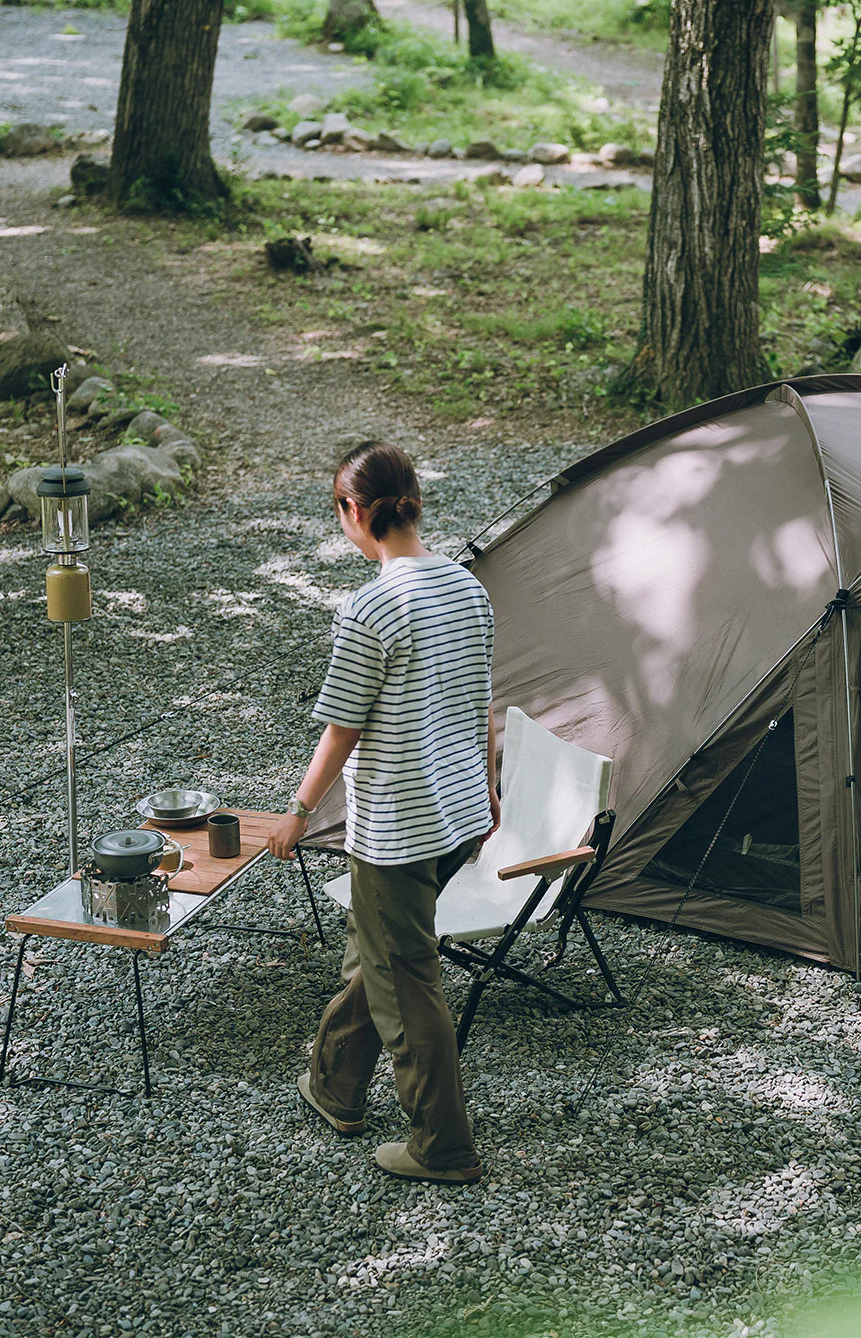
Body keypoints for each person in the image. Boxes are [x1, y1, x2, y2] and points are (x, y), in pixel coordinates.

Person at [266, 441, 497, 1185]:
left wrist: (298, 812)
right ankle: (334, 1086)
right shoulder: (467, 588)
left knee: (403, 976)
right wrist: (489, 791)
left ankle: (443, 1144)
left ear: (354, 513)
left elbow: (341, 729)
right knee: (380, 951)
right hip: (457, 815)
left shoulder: (372, 607)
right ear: (414, 504)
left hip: (400, 827)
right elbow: (480, 703)